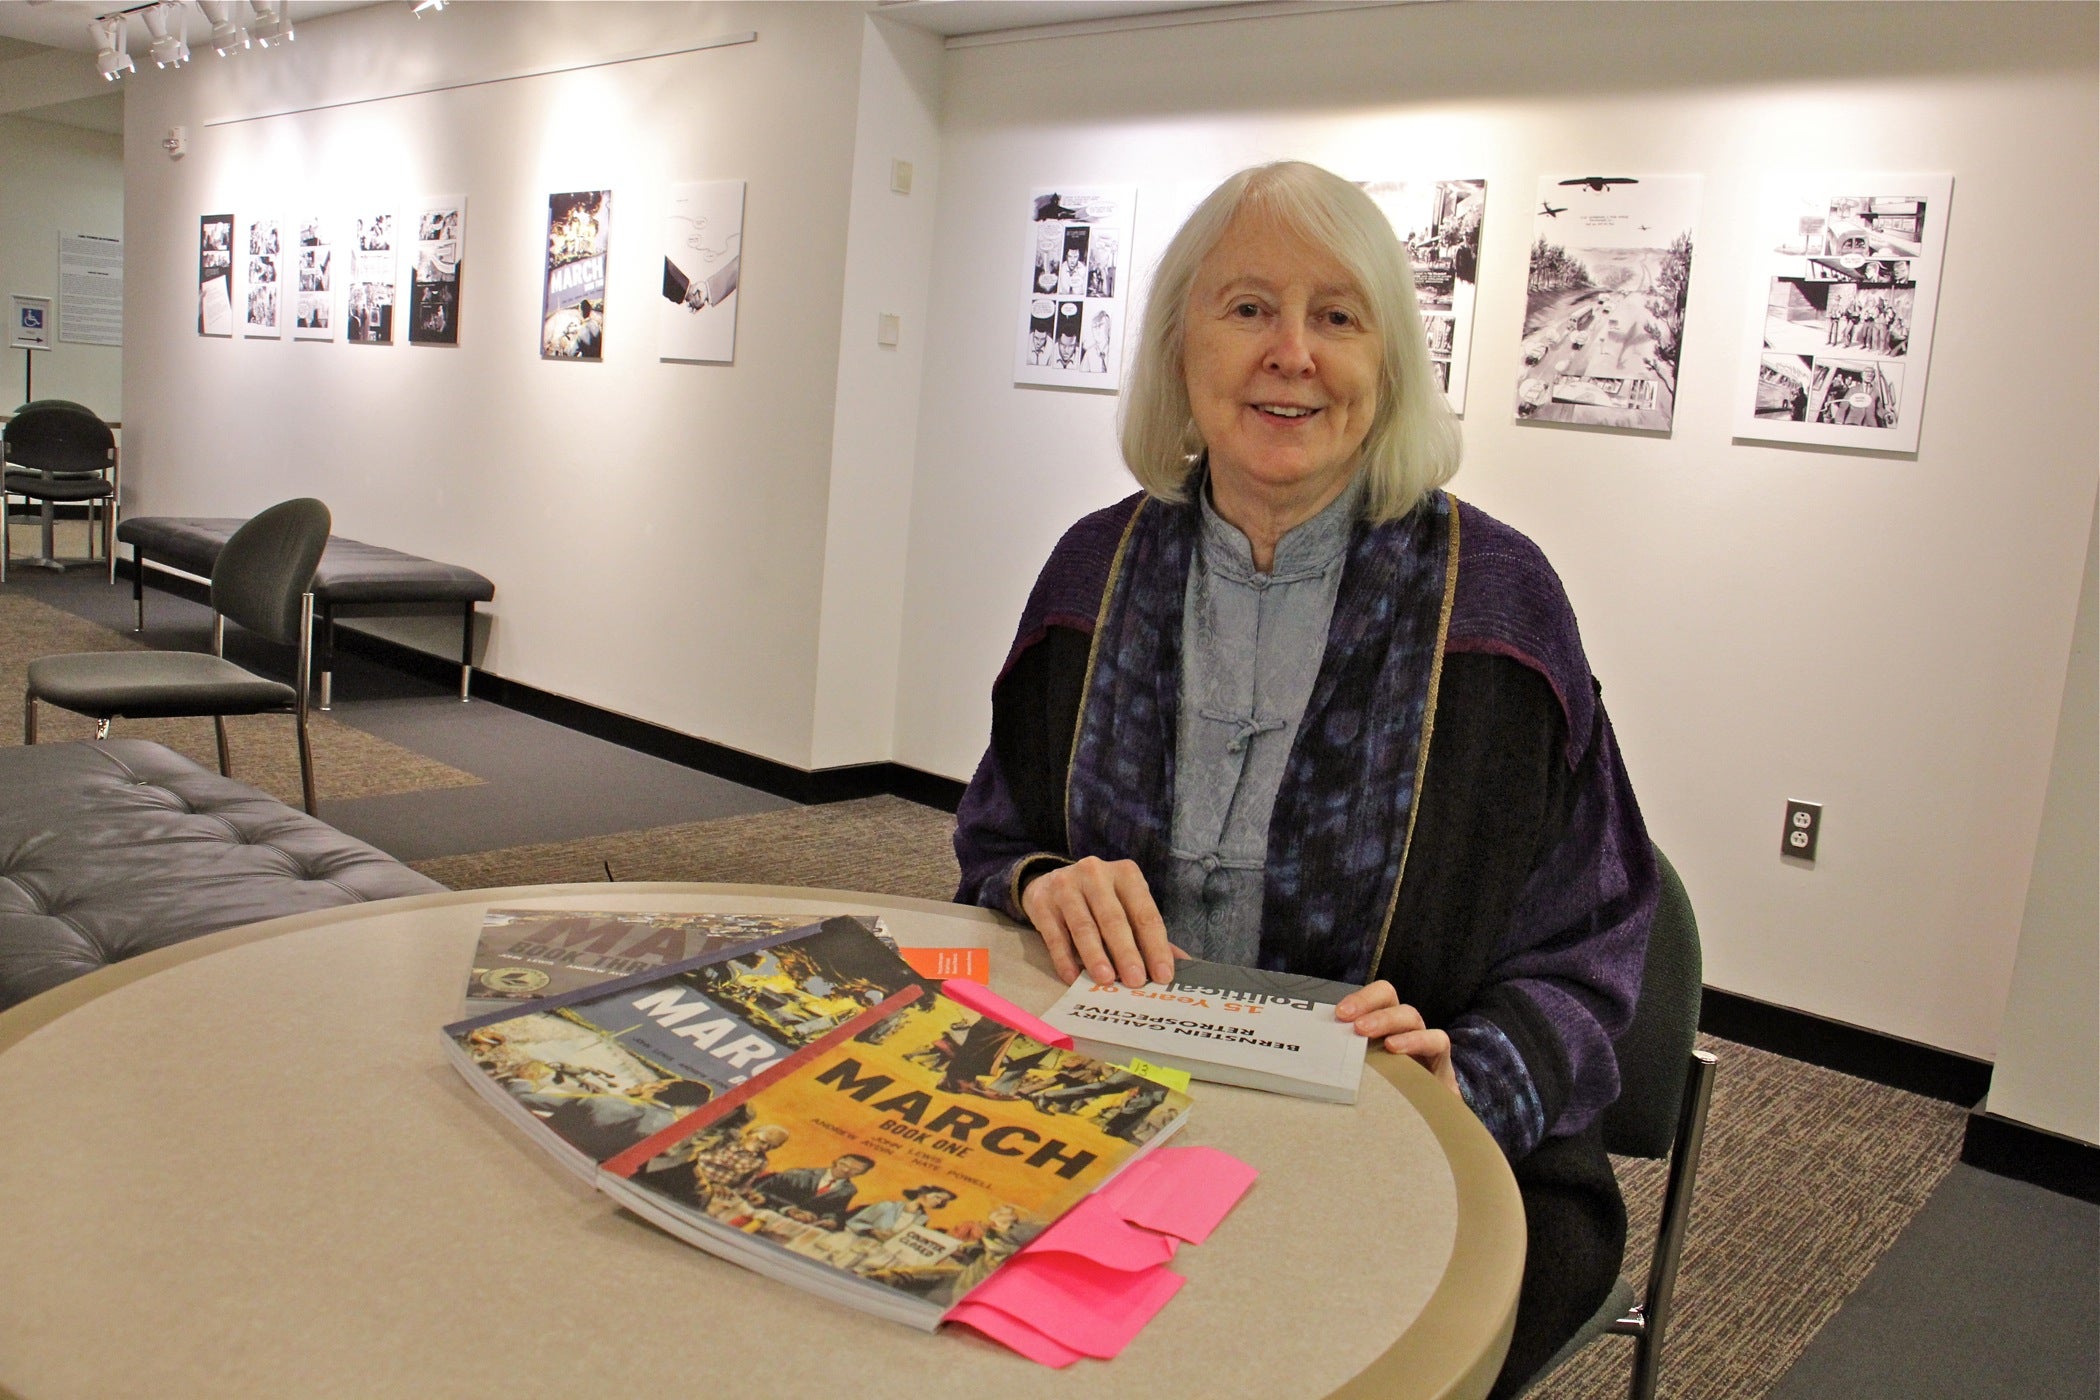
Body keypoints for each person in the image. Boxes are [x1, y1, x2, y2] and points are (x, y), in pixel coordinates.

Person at [951, 160, 1656, 1398]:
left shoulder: (1497, 608)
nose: (1292, 353)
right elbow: (995, 837)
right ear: (1181, 346)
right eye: (1247, 308)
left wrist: (1464, 1078)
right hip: (1120, 1110)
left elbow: (1595, 948)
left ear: (1388, 364)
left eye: (1337, 315)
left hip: (1412, 1156)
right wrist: (1043, 880)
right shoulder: (1088, 574)